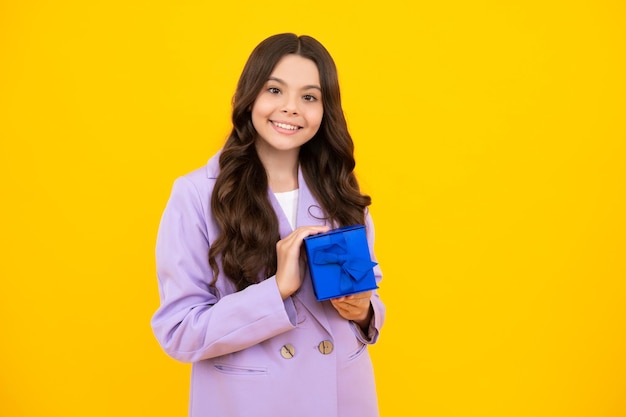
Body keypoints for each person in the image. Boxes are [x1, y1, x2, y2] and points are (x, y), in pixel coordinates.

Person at [151, 33, 385, 417]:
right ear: (250, 96)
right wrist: (274, 291)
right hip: (249, 403)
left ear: (326, 109)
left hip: (344, 397)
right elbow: (179, 331)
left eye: (309, 97)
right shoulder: (195, 194)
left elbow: (370, 299)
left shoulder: (340, 188)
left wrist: (363, 310)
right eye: (275, 90)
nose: (291, 108)